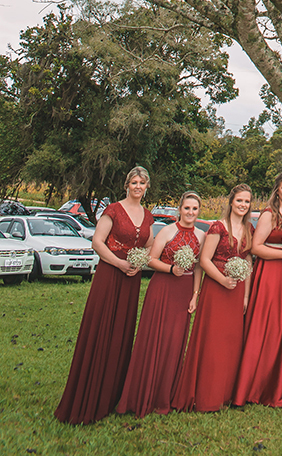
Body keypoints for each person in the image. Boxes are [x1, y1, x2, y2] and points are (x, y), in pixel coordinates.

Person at [55, 166, 154, 425]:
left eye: (142, 183)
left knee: (121, 331)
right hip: (110, 276)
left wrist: (139, 262)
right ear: (126, 185)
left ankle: (112, 395)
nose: (138, 187)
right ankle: (88, 395)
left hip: (131, 281)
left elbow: (150, 244)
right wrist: (120, 264)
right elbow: (97, 242)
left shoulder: (148, 216)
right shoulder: (113, 211)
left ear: (147, 187)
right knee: (101, 328)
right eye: (134, 182)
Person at [117, 190, 205, 417]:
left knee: (175, 342)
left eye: (194, 209)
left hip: (184, 292)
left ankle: (165, 395)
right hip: (162, 288)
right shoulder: (167, 231)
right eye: (187, 208)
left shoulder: (201, 236)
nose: (190, 212)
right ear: (180, 208)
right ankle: (142, 394)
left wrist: (195, 295)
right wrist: (170, 269)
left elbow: (197, 267)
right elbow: (151, 260)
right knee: (154, 338)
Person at [171, 183, 254, 413]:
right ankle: (205, 395)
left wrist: (245, 293)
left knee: (230, 342)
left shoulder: (249, 229)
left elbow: (248, 261)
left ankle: (225, 393)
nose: (243, 205)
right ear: (231, 202)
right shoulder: (219, 226)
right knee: (212, 341)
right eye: (239, 201)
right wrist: (223, 281)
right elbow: (205, 260)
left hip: (237, 291)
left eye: (247, 202)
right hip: (217, 289)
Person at [233, 172, 282, 408]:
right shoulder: (269, 214)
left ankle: (274, 386)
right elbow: (256, 247)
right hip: (270, 273)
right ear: (277, 190)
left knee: (280, 328)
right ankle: (249, 388)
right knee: (263, 326)